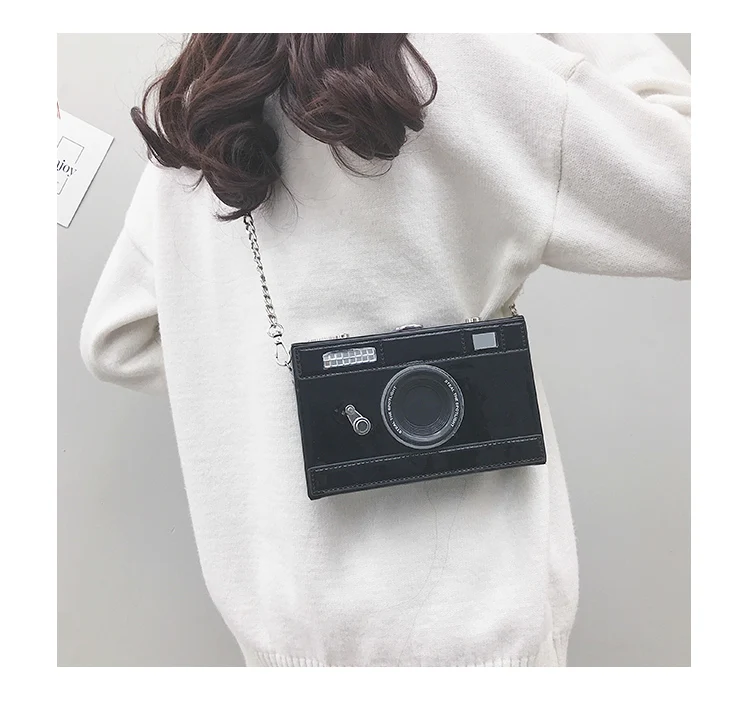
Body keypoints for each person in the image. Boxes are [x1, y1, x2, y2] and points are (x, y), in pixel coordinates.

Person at [80, 33, 690, 667]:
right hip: (481, 636)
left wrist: (260, 388)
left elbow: (117, 340)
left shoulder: (198, 112)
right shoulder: (467, 61)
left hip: (284, 644)